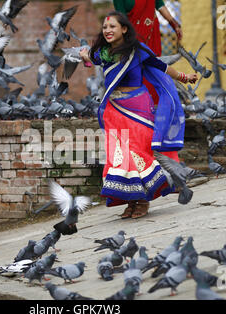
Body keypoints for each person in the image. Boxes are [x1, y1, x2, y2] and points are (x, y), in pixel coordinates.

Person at [79, 11, 197, 219]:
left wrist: (185, 77)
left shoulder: (137, 50)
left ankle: (142, 200)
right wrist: (84, 57)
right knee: (121, 156)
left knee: (137, 153)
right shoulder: (103, 52)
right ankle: (132, 200)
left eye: (112, 27)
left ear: (124, 29)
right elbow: (93, 59)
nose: (107, 31)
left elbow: (161, 66)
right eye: (105, 27)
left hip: (137, 107)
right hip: (114, 110)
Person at [113, 0, 182, 57]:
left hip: (152, 35)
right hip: (134, 37)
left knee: (156, 65)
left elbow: (160, 6)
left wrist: (174, 24)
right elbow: (122, 19)